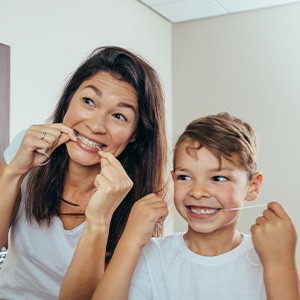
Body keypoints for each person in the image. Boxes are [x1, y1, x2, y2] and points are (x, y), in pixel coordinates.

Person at [0, 45, 168, 299]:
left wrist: (100, 220)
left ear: (135, 134)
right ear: (69, 99)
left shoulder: (139, 201)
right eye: (88, 101)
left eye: (119, 116)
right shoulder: (29, 145)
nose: (96, 125)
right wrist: (15, 173)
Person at [91, 112, 299, 300]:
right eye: (184, 177)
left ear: (252, 187)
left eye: (218, 178)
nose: (198, 192)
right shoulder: (151, 256)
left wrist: (280, 264)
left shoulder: (270, 256)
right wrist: (131, 239)